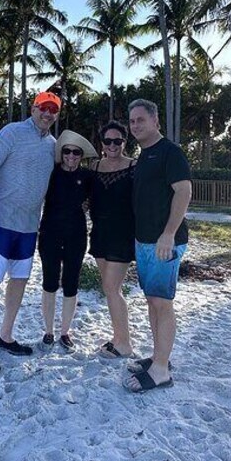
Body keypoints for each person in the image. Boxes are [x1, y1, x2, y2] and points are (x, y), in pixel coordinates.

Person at [0, 91, 61, 373]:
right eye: (43, 108)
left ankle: (6, 335)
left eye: (53, 110)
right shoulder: (11, 133)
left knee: (19, 280)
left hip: (28, 227)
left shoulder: (53, 145)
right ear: (33, 109)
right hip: (0, 223)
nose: (47, 114)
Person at [124, 99, 192, 392]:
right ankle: (158, 357)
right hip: (144, 241)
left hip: (165, 242)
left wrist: (168, 233)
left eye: (141, 119)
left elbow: (184, 191)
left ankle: (162, 370)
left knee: (162, 303)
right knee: (153, 300)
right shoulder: (144, 155)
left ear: (156, 122)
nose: (135, 125)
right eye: (132, 121)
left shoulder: (169, 152)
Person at [38, 130, 97, 352]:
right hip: (49, 234)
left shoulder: (88, 177)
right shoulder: (50, 174)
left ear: (81, 156)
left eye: (76, 153)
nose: (71, 156)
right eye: (67, 152)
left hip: (76, 236)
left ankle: (64, 332)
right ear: (61, 154)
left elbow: (98, 200)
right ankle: (48, 332)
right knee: (50, 283)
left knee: (71, 284)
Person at [89, 120, 137, 359]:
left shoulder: (134, 167)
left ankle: (125, 343)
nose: (112, 145)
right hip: (99, 234)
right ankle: (118, 338)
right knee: (109, 289)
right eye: (107, 141)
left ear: (124, 142)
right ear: (102, 143)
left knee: (112, 288)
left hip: (122, 235)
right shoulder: (95, 167)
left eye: (117, 141)